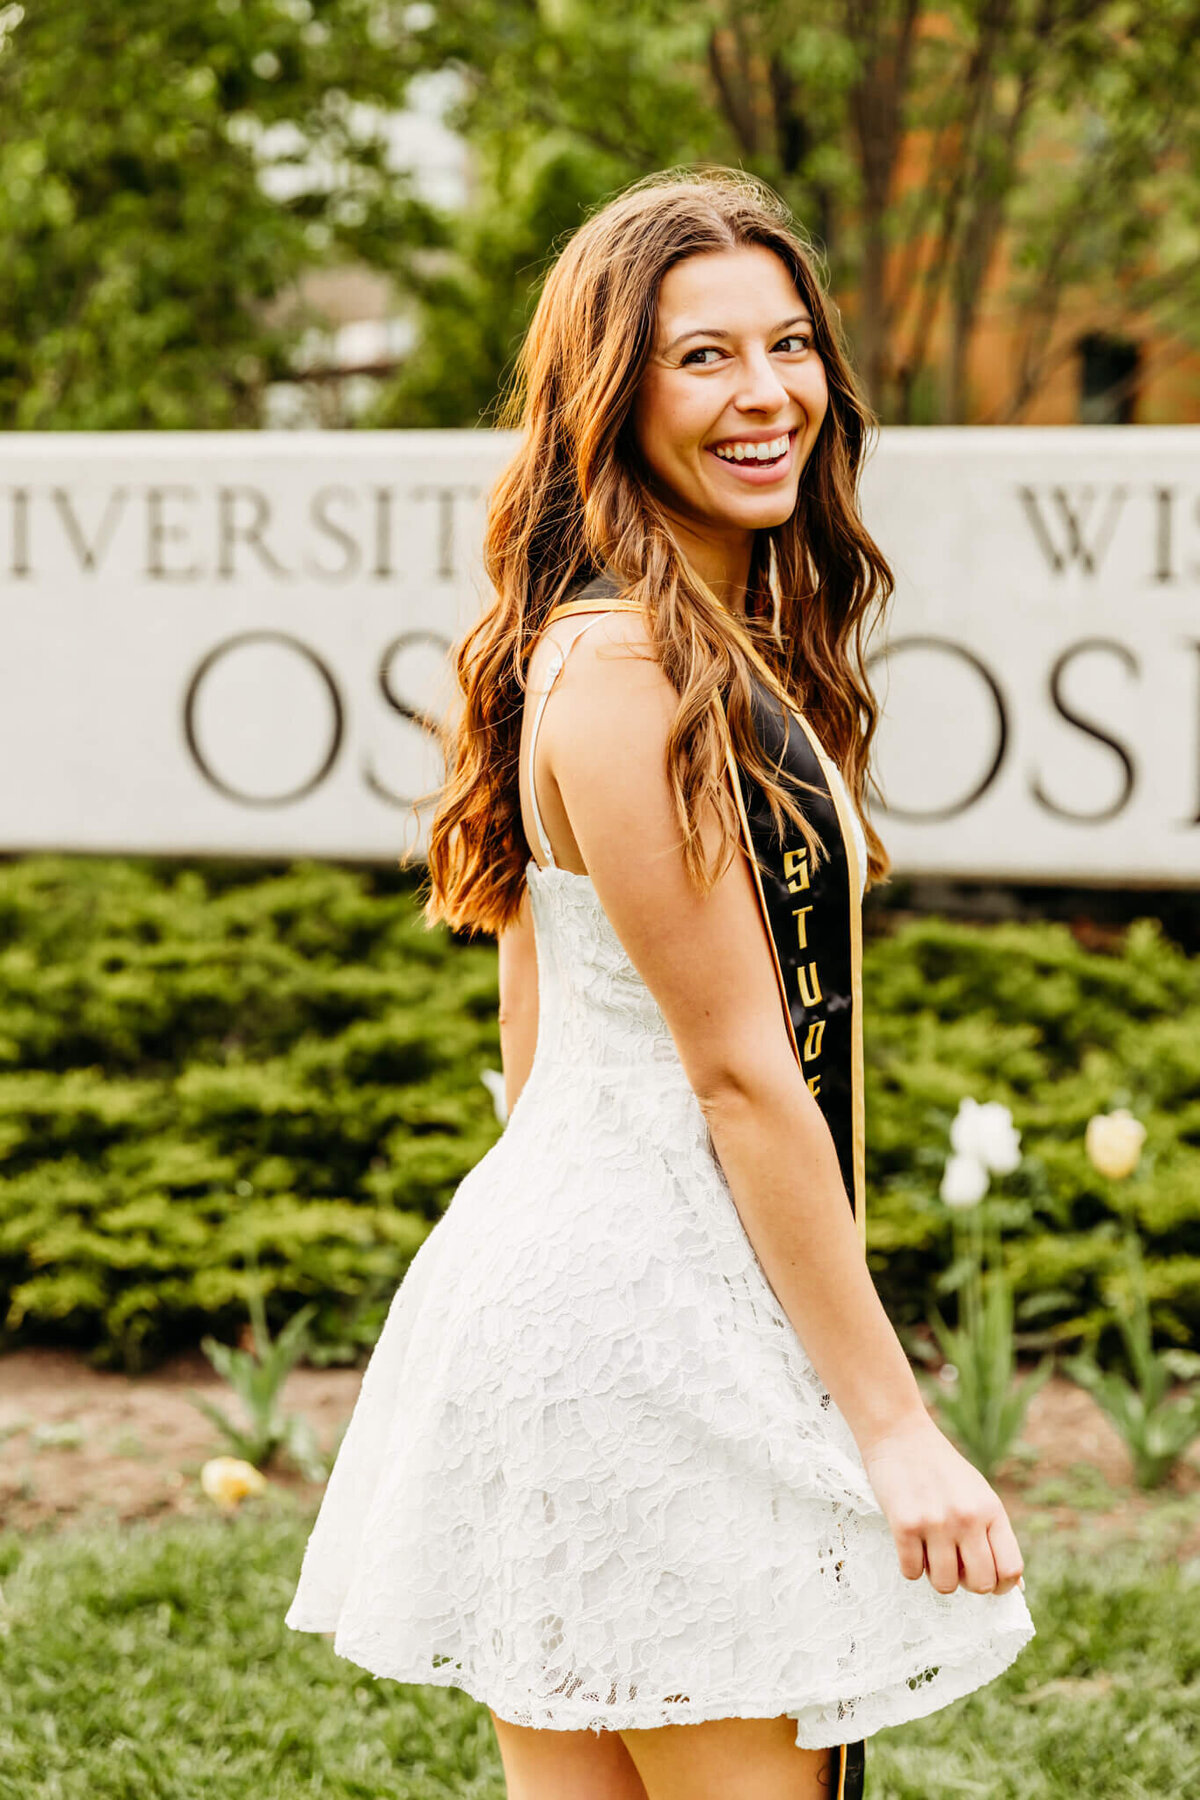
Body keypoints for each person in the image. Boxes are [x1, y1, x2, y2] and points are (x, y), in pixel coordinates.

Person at [285, 167, 1035, 1800]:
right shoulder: (633, 669)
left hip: (594, 1305)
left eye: (787, 345)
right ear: (610, 393)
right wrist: (896, 1425)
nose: (764, 394)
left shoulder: (655, 638)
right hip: (641, 1332)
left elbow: (533, 1023)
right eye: (703, 357)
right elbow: (741, 1072)